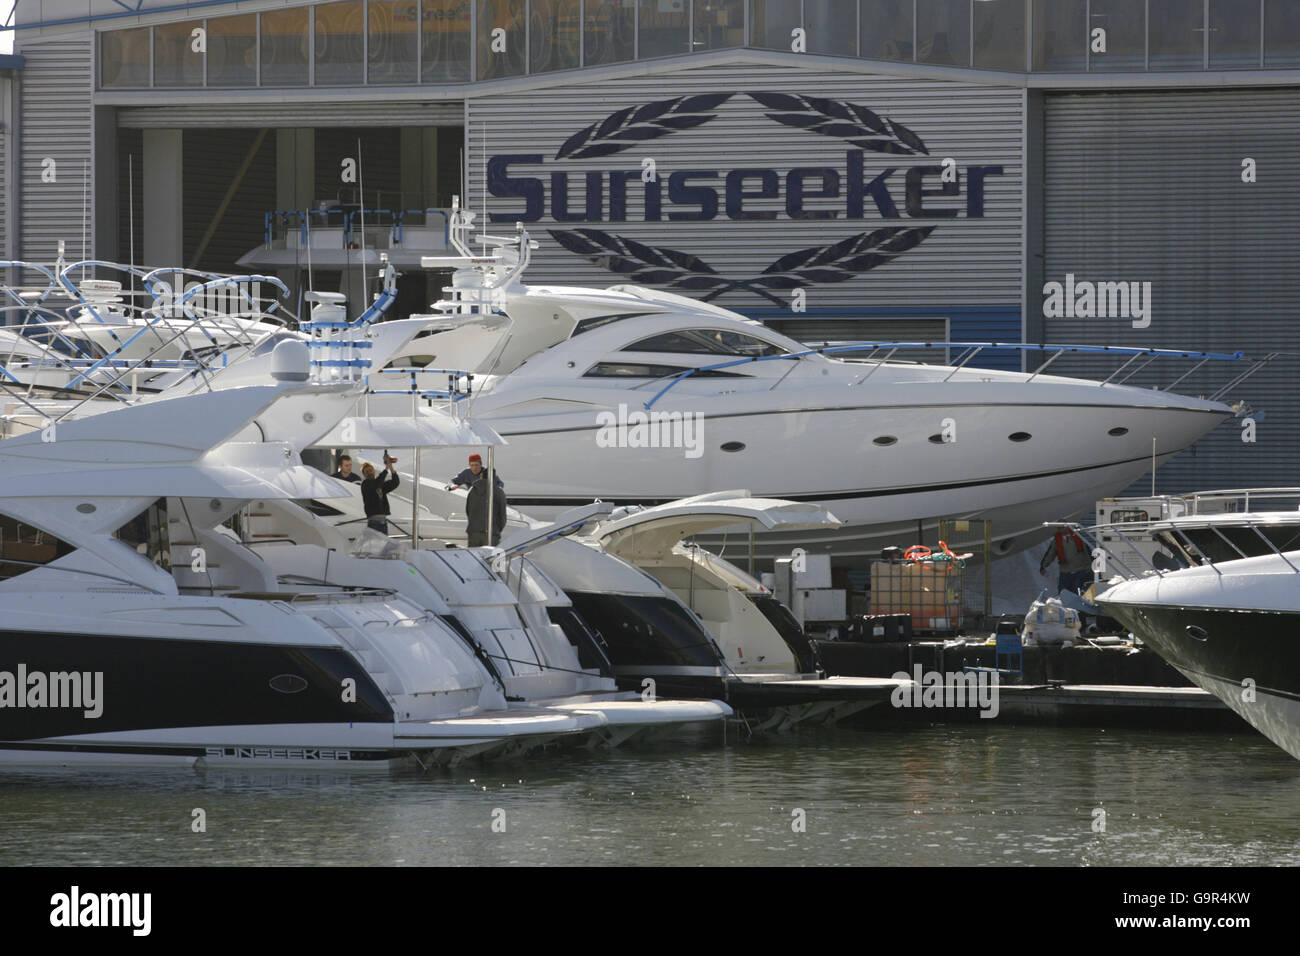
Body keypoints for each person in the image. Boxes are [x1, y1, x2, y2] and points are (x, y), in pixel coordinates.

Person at [1040, 528, 1091, 595]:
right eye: (1059, 528)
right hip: (1065, 571)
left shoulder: (1078, 538)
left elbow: (1088, 552)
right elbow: (1050, 554)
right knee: (1063, 593)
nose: (1060, 529)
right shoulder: (1057, 540)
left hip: (1080, 570)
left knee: (1078, 592)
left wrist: (1092, 566)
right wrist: (1043, 566)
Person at [465, 467, 507, 547]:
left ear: (482, 476)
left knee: (474, 558)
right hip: (491, 533)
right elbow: (502, 516)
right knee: (489, 558)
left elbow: (468, 510)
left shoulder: (472, 491)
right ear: (494, 478)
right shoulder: (498, 492)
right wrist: (497, 530)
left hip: (473, 533)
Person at [360, 454, 399, 533]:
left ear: (374, 471)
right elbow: (376, 483)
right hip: (374, 522)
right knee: (376, 545)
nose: (369, 472)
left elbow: (395, 483)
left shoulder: (380, 484)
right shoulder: (366, 484)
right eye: (367, 471)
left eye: (371, 470)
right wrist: (386, 468)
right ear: (364, 475)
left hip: (383, 522)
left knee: (382, 545)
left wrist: (390, 467)